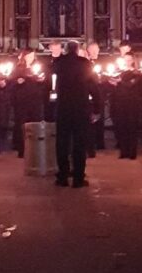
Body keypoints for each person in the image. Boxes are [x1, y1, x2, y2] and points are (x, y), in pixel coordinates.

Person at [53, 41, 100, 188]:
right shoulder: (85, 63)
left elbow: (50, 83)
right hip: (81, 107)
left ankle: (62, 176)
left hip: (63, 107)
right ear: (78, 49)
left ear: (65, 49)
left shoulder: (58, 62)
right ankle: (78, 178)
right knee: (80, 143)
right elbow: (93, 86)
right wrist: (97, 108)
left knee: (62, 142)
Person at [8, 49, 47, 158]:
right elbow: (11, 81)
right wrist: (18, 81)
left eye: (33, 56)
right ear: (24, 57)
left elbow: (43, 83)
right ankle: (22, 149)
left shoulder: (37, 68)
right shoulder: (19, 68)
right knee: (23, 124)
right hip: (22, 100)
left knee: (35, 122)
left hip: (35, 100)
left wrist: (41, 80)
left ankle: (35, 148)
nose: (31, 58)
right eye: (29, 56)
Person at [109, 52, 142, 159]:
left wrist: (120, 82)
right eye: (125, 59)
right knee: (122, 126)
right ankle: (124, 151)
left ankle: (132, 152)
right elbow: (117, 86)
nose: (127, 61)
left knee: (131, 126)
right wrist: (114, 83)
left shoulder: (137, 73)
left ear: (133, 61)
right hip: (120, 102)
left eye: (129, 59)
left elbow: (131, 85)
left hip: (132, 102)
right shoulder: (120, 72)